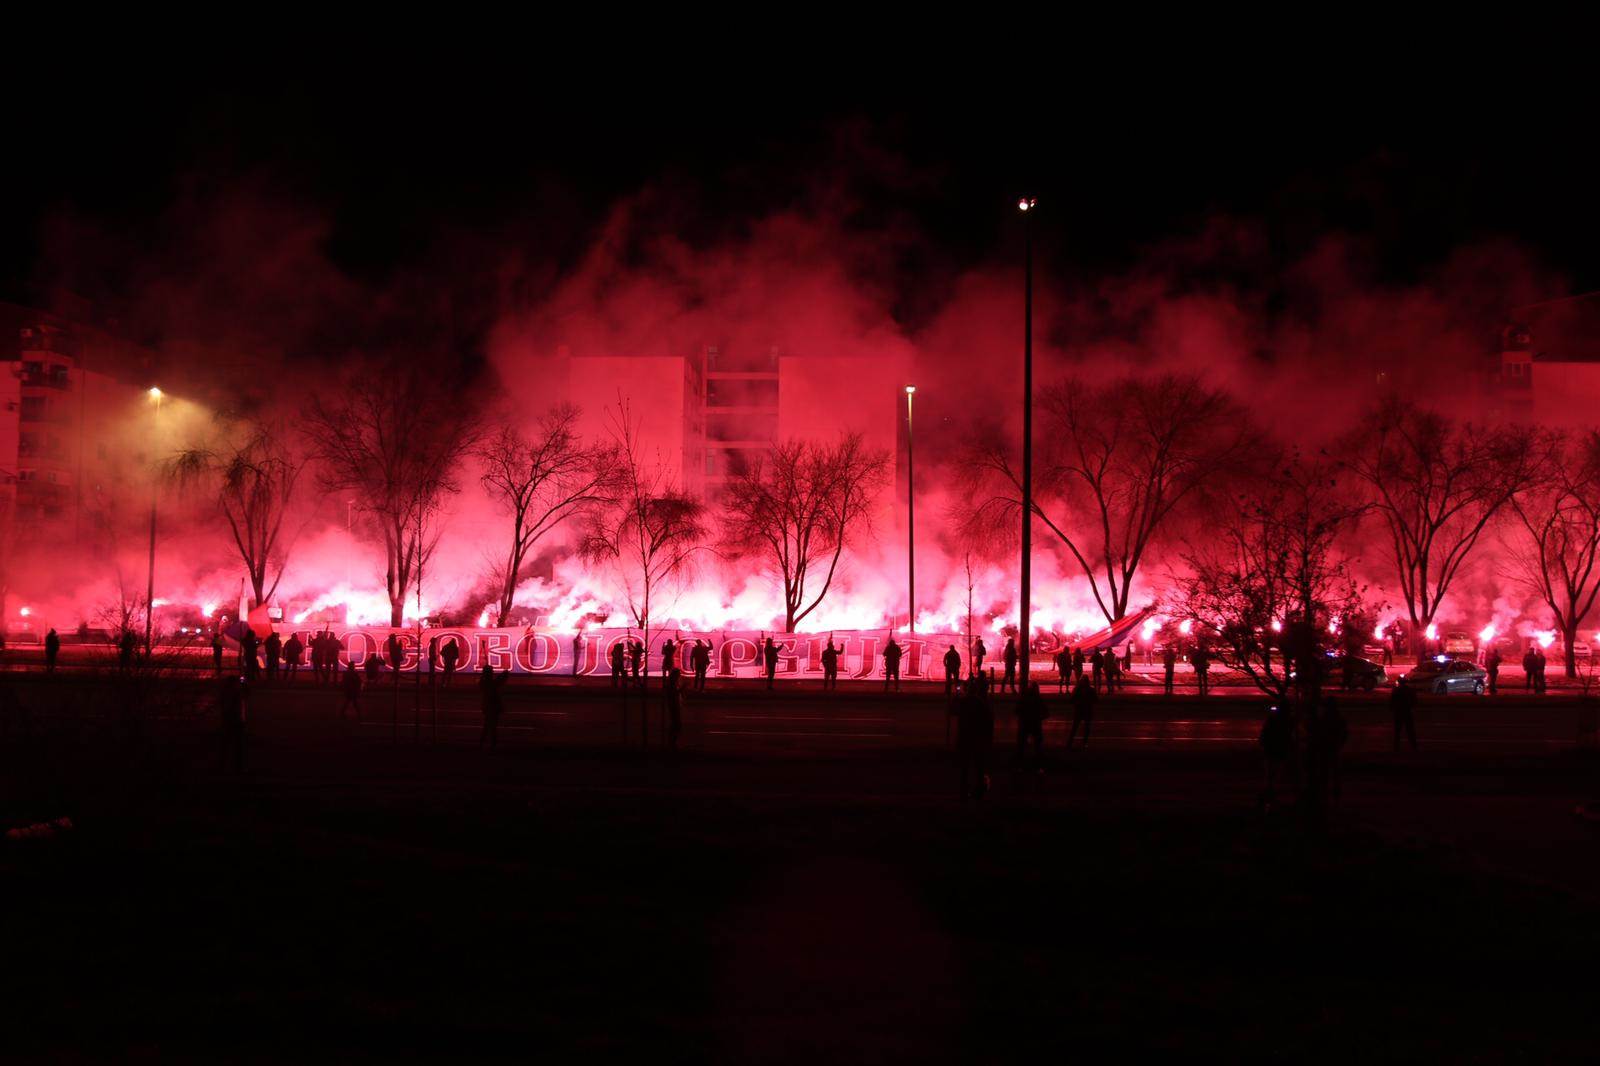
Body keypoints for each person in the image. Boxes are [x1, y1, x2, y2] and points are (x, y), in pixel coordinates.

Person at [957, 672, 995, 801]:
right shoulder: (980, 703)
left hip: (966, 740)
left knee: (965, 768)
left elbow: (953, 710)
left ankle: (964, 791)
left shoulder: (964, 702)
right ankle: (978, 791)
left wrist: (957, 695)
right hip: (977, 740)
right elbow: (988, 722)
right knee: (978, 767)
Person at [1258, 703, 1294, 811]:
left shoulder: (1274, 720)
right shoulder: (1286, 721)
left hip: (1272, 749)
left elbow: (1265, 734)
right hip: (1278, 750)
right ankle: (1270, 794)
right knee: (1274, 773)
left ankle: (1269, 794)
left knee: (1270, 773)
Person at [1015, 680, 1048, 771]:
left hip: (1025, 724)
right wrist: (1040, 718)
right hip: (1035, 724)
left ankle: (1019, 766)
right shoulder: (1038, 699)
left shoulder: (1024, 698)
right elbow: (1046, 713)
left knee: (1021, 746)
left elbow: (1017, 710)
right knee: (1038, 746)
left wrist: (1022, 717)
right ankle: (1038, 767)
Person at [478, 663, 511, 751]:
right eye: (491, 671)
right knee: (491, 727)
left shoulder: (484, 682)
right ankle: (490, 744)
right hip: (493, 708)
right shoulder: (491, 683)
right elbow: (499, 681)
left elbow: (497, 681)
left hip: (488, 707)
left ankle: (484, 743)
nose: (493, 672)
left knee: (488, 726)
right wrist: (505, 673)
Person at [219, 675, 247, 773]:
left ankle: (225, 765)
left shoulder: (228, 693)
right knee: (236, 745)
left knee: (229, 744)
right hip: (235, 721)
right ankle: (236, 766)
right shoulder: (235, 694)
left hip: (232, 720)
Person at [1067, 674, 1097, 749]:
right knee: (1086, 728)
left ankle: (1070, 742)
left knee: (1074, 728)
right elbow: (1096, 700)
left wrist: (1076, 704)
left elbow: (1071, 700)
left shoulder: (1077, 689)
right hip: (1087, 711)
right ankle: (1084, 743)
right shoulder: (1091, 690)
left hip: (1079, 711)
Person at [1391, 674, 1418, 752]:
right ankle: (1414, 747)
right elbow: (1415, 701)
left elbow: (1392, 702)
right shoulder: (1410, 690)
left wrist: (1392, 709)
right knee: (1410, 730)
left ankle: (1396, 748)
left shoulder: (1396, 690)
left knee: (1397, 731)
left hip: (1399, 712)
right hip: (1407, 712)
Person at [663, 666, 683, 750]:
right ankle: (672, 742)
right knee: (676, 724)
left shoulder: (672, 683)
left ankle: (672, 742)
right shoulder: (672, 684)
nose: (679, 676)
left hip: (674, 705)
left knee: (675, 724)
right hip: (674, 705)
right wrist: (683, 688)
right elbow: (674, 693)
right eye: (678, 675)